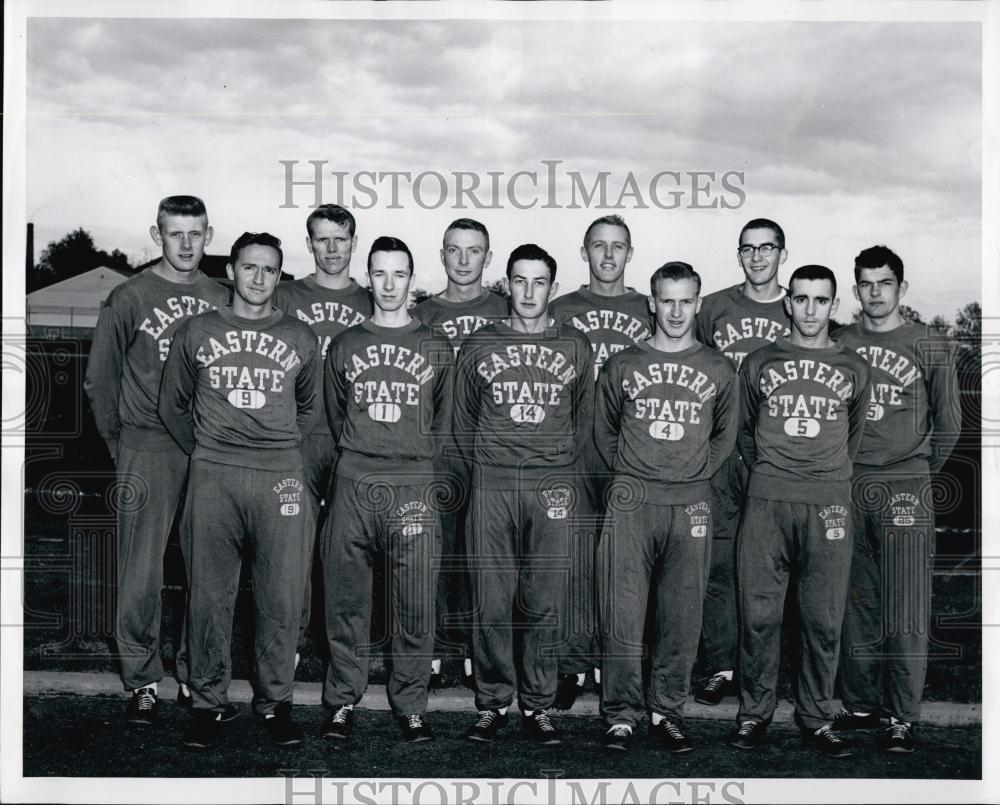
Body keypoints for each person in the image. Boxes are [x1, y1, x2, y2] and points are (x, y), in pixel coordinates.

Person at [158, 232, 319, 748]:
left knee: (281, 597)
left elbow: (312, 410)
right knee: (209, 595)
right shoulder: (197, 331)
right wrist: (210, 450)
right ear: (231, 269)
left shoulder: (299, 336)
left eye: (269, 270)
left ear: (279, 275)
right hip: (215, 477)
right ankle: (207, 704)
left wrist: (276, 449)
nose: (258, 278)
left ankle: (275, 704)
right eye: (249, 267)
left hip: (279, 478)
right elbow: (172, 405)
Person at [84, 195, 230, 724]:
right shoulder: (130, 295)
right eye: (175, 234)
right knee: (140, 568)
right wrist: (119, 444)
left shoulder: (222, 296)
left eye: (196, 234)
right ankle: (142, 679)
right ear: (158, 234)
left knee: (207, 569)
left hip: (209, 446)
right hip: (147, 444)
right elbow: (100, 379)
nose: (186, 244)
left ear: (209, 236)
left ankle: (197, 676)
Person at [453, 244, 593, 746]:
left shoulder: (575, 346)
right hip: (493, 481)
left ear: (553, 288)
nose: (529, 292)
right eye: (520, 281)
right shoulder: (479, 343)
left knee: (543, 599)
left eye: (539, 282)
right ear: (506, 284)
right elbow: (462, 419)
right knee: (491, 599)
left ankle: (537, 704)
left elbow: (583, 421)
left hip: (550, 484)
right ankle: (492, 700)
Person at [728, 265, 871, 757]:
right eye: (802, 299)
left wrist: (824, 475)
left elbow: (852, 435)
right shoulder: (761, 361)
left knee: (823, 619)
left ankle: (815, 716)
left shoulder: (854, 365)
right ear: (788, 302)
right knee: (758, 616)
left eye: (821, 300)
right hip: (768, 500)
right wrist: (772, 470)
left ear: (834, 306)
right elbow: (743, 430)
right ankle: (754, 714)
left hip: (828, 502)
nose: (811, 309)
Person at [596, 263, 737, 752]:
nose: (676, 311)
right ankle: (620, 714)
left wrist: (690, 473)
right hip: (631, 501)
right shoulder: (622, 364)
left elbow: (725, 437)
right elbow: (603, 433)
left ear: (698, 303)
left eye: (686, 301)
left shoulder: (718, 368)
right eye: (667, 300)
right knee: (623, 614)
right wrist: (636, 474)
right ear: (651, 302)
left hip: (690, 504)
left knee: (681, 617)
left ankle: (667, 711)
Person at [319, 237, 455, 744]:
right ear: (369, 276)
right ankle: (341, 701)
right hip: (355, 480)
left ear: (412, 278)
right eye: (380, 274)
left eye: (400, 274)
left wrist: (410, 459)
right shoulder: (347, 343)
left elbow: (443, 421)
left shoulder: (435, 344)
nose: (390, 284)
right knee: (346, 601)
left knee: (414, 604)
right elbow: (335, 415)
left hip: (413, 484)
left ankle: (411, 704)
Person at [833, 245, 961, 753]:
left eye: (884, 283)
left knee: (905, 603)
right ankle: (861, 704)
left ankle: (902, 714)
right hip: (846, 483)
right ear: (856, 288)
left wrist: (917, 470)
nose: (875, 292)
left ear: (901, 288)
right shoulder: (841, 341)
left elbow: (950, 423)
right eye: (865, 283)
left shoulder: (927, 343)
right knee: (855, 600)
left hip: (905, 484)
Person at [548, 215, 651, 709]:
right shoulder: (563, 309)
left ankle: (620, 669)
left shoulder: (648, 309)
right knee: (575, 558)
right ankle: (570, 664)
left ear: (630, 253)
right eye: (598, 246)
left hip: (632, 447)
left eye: (617, 247)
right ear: (584, 251)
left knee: (626, 566)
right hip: (574, 447)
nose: (607, 256)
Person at [694, 218, 791, 706]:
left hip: (773, 451)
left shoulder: (798, 306)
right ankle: (718, 664)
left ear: (782, 254)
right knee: (715, 560)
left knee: (771, 564)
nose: (758, 258)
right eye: (749, 249)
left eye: (767, 248)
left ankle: (766, 666)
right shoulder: (712, 307)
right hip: (719, 448)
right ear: (739, 255)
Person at [273, 204, 373, 666]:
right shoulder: (286, 296)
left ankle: (347, 652)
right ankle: (288, 646)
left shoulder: (373, 300)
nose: (332, 249)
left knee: (349, 553)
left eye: (341, 238)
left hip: (352, 440)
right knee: (291, 549)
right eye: (322, 239)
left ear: (354, 242)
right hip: (296, 438)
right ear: (309, 243)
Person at [413, 218, 507, 689]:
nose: (464, 260)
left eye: (474, 251)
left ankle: (478, 655)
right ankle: (429, 653)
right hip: (433, 452)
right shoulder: (422, 315)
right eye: (455, 250)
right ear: (443, 254)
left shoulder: (508, 311)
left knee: (484, 559)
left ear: (488, 258)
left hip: (490, 453)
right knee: (432, 554)